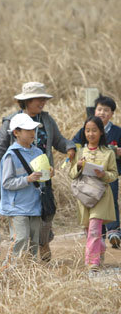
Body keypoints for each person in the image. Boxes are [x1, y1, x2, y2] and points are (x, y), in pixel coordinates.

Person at [0, 81, 76, 261]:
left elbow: (59, 140)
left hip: (43, 177)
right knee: (22, 227)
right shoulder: (11, 122)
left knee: (45, 212)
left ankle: (42, 246)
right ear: (27, 101)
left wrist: (70, 147)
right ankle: (21, 261)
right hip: (19, 179)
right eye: (38, 99)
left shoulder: (46, 120)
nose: (42, 102)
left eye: (44, 99)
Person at [69, 116, 118, 272]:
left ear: (101, 132)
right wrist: (77, 166)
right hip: (84, 197)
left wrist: (103, 174)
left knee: (95, 229)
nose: (91, 134)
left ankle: (92, 262)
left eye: (94, 130)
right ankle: (100, 248)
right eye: (87, 130)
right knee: (90, 230)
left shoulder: (108, 153)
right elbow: (72, 174)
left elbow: (114, 174)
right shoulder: (80, 152)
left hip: (101, 195)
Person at [73, 95, 121, 248]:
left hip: (108, 175)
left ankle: (114, 230)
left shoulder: (118, 131)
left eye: (106, 110)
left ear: (112, 113)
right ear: (94, 111)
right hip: (88, 179)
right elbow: (74, 143)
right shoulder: (85, 129)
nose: (102, 112)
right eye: (99, 109)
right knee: (91, 202)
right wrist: (75, 157)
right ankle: (98, 235)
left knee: (111, 200)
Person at [0, 113, 43, 263]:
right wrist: (27, 179)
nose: (32, 133)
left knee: (34, 241)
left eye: (33, 129)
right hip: (16, 206)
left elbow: (42, 179)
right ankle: (8, 272)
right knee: (21, 238)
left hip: (35, 204)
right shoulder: (10, 155)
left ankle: (30, 274)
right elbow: (6, 183)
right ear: (16, 133)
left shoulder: (38, 152)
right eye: (28, 130)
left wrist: (48, 174)